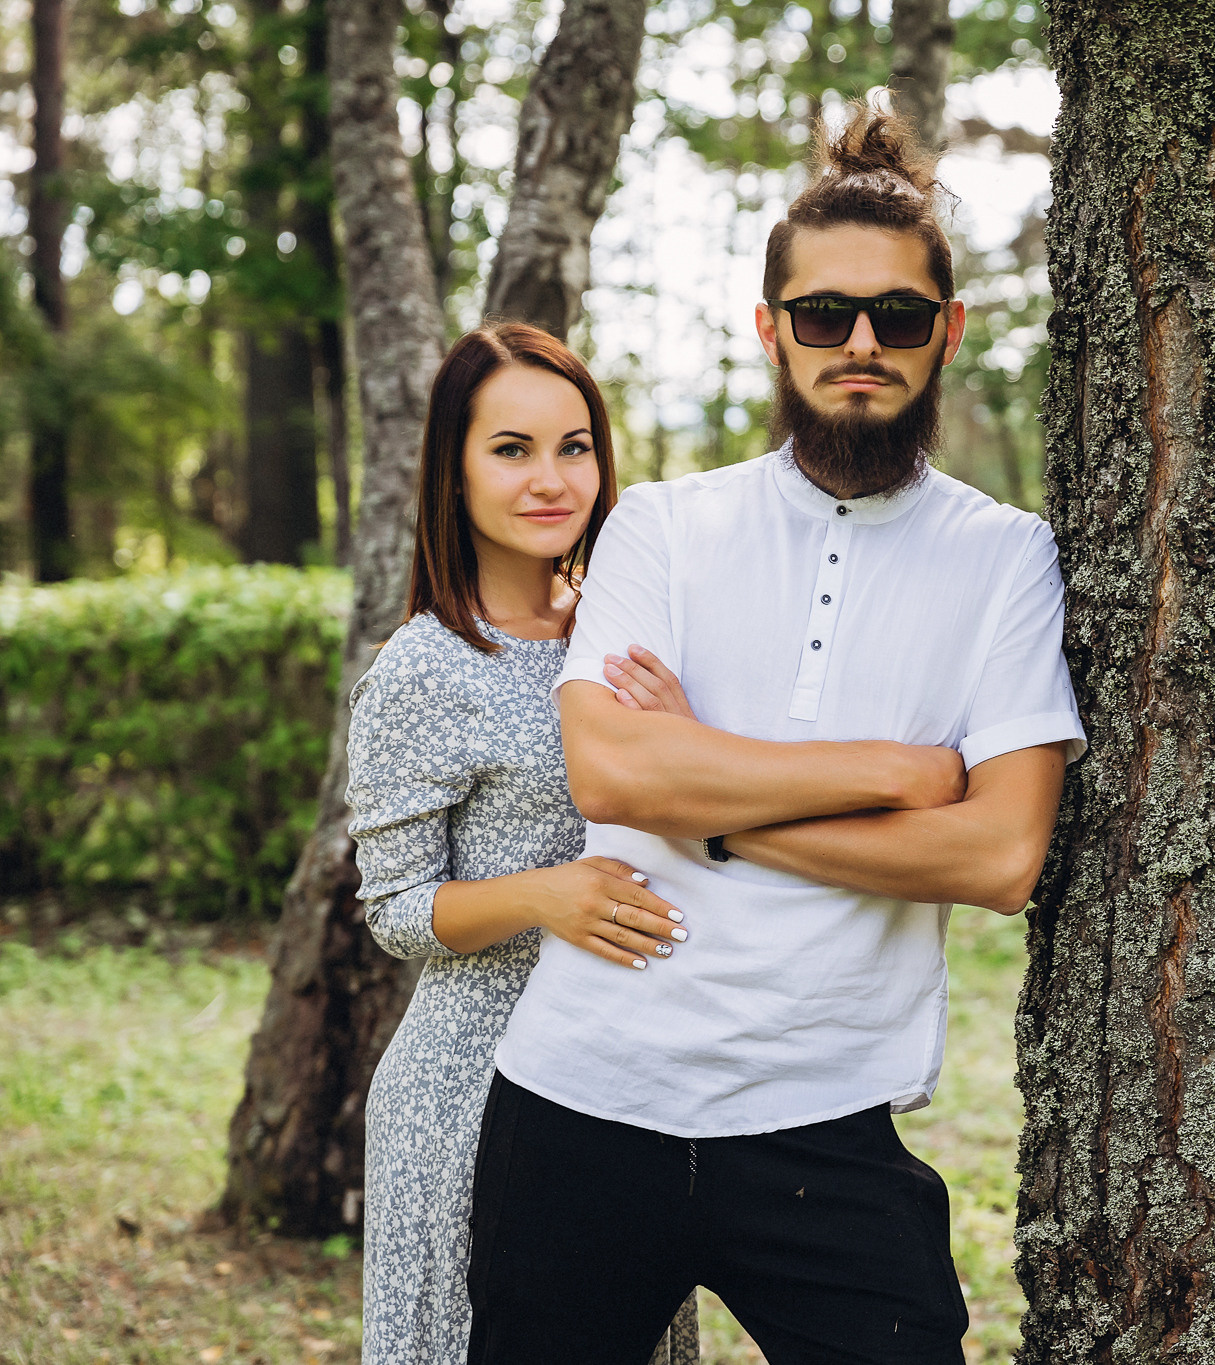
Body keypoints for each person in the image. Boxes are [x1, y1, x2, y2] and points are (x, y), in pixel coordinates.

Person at [463, 104, 1087, 1364]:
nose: (861, 343)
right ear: (771, 329)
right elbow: (614, 769)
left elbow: (997, 859)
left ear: (946, 332)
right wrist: (900, 778)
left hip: (825, 1127)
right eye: (823, 315)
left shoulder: (1006, 556)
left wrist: (716, 808)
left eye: (898, 317)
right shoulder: (658, 527)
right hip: (581, 1101)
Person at [347, 322, 694, 1364]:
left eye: (574, 446)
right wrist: (548, 894)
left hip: (627, 1076)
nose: (551, 478)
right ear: (452, 470)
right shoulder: (424, 668)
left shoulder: (629, 630)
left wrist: (689, 739)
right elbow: (395, 910)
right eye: (511, 449)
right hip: (470, 1094)